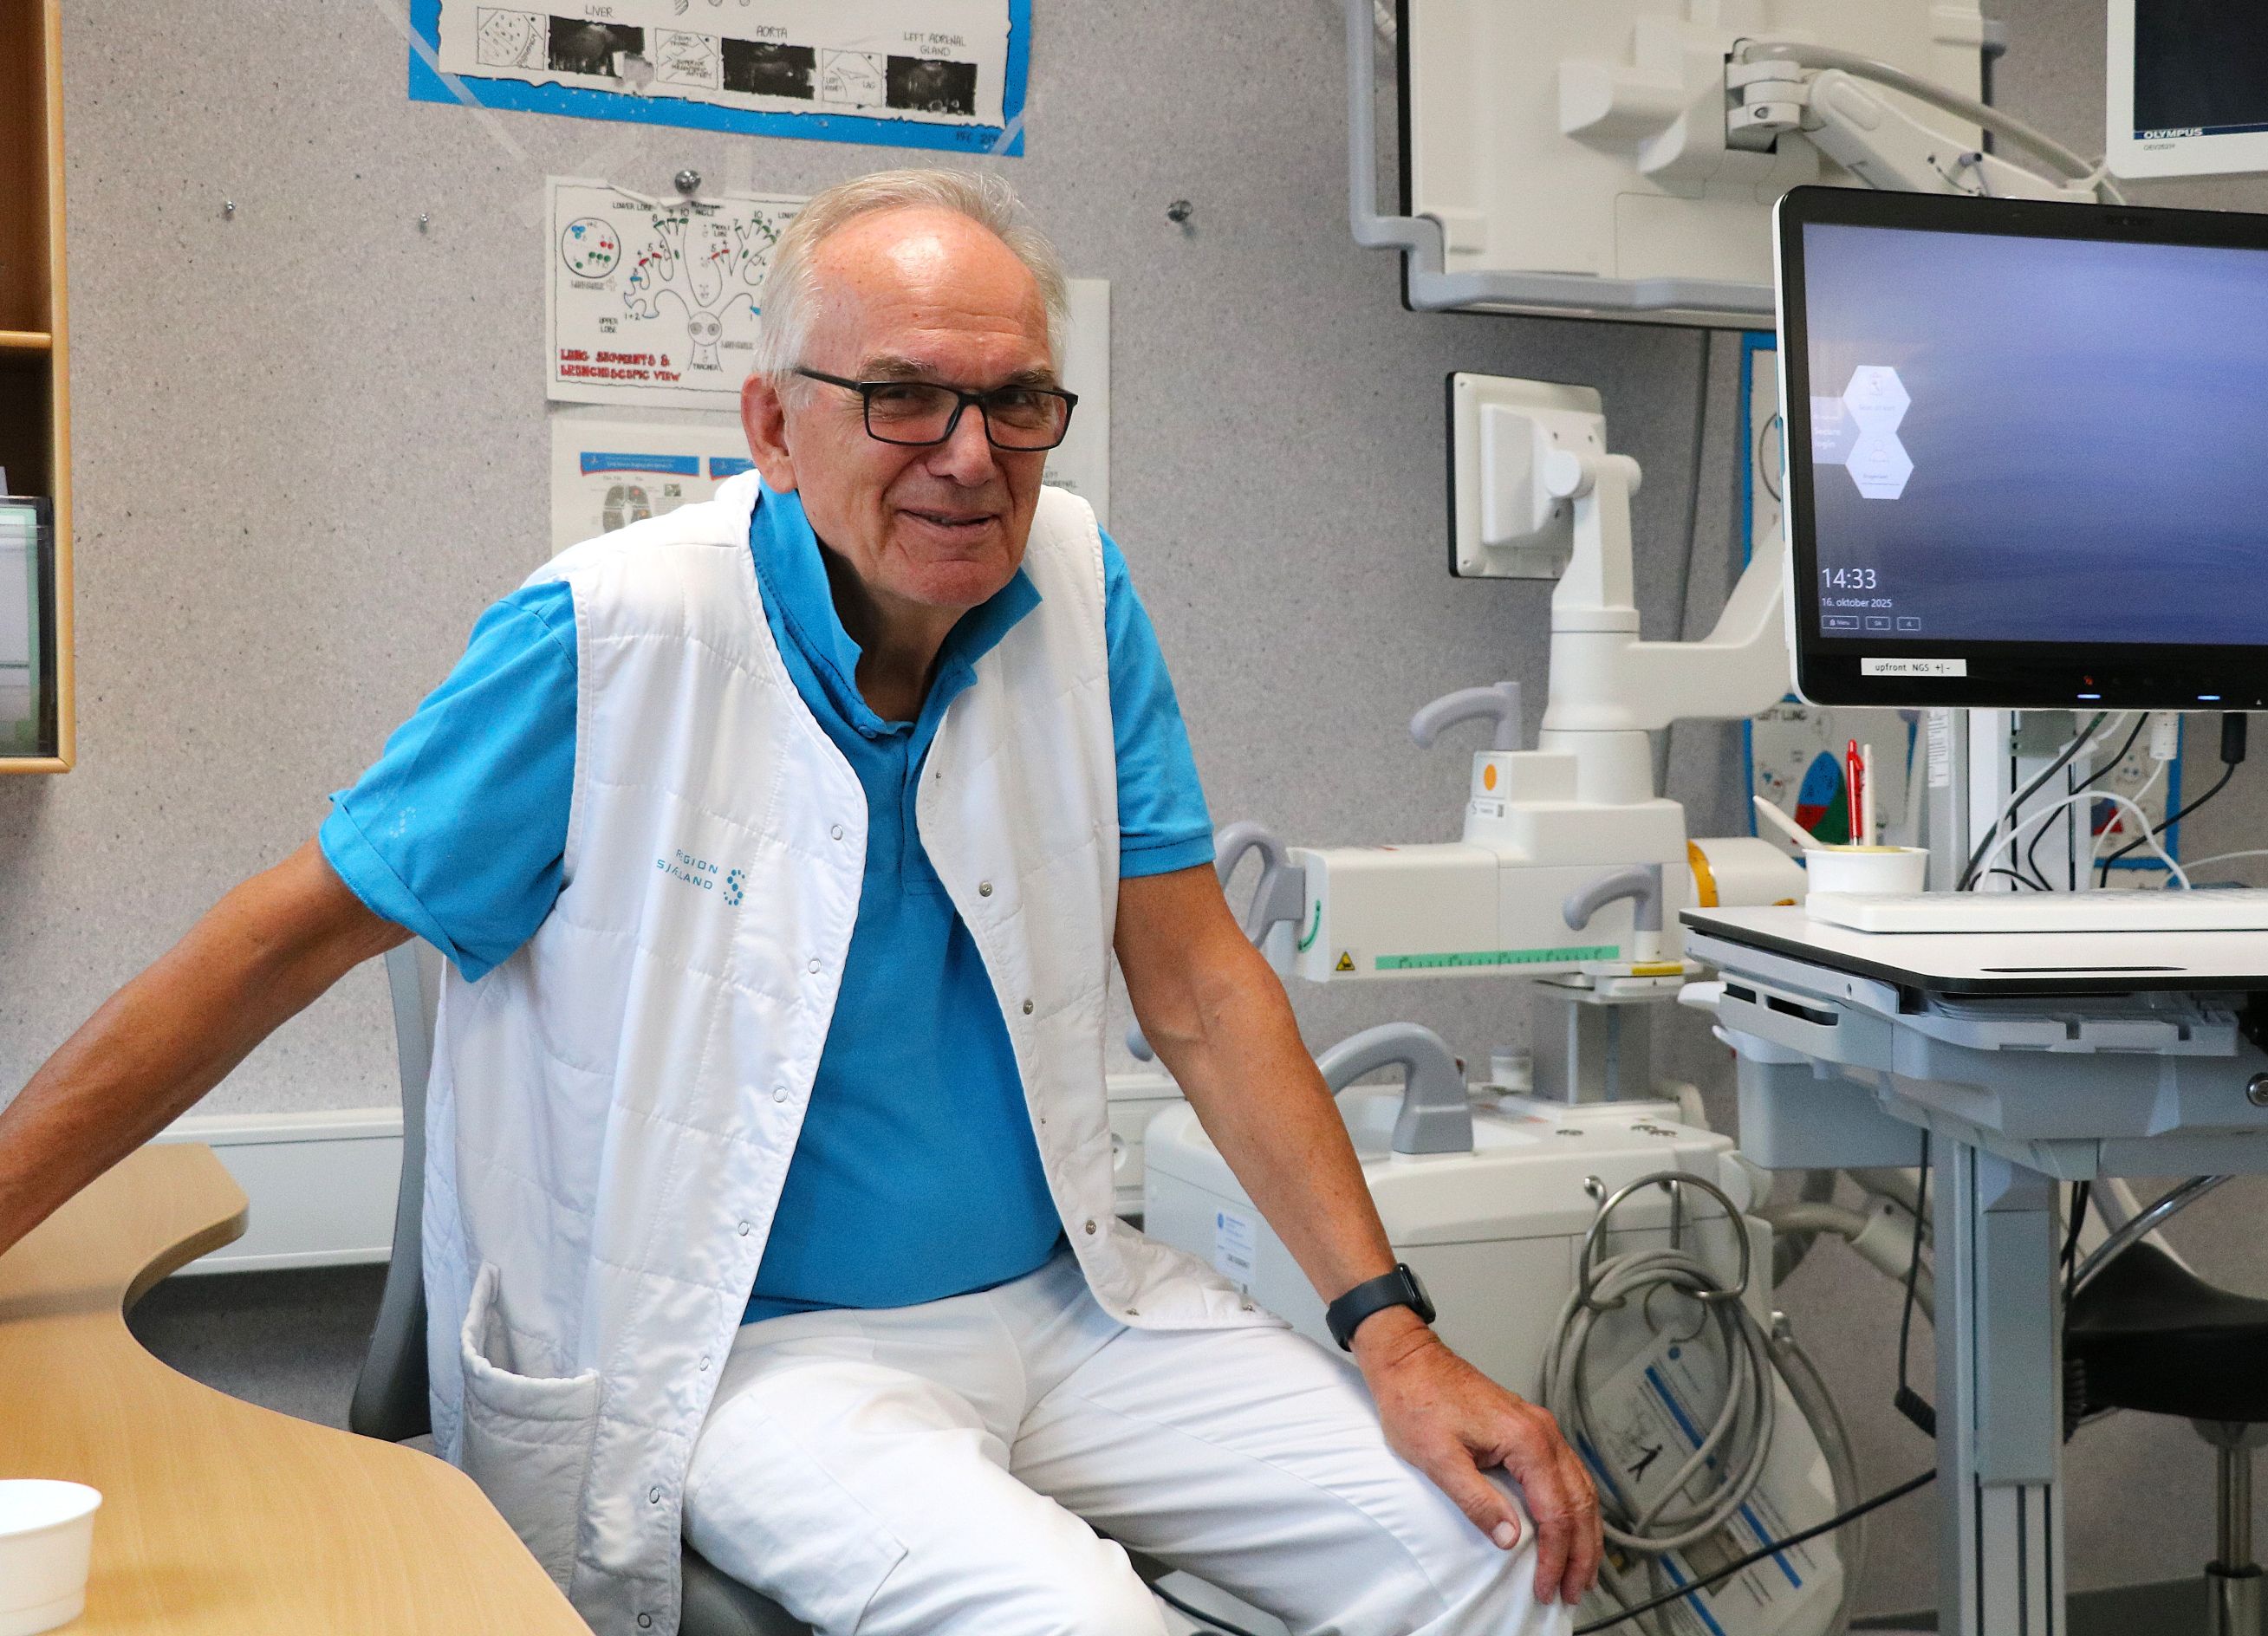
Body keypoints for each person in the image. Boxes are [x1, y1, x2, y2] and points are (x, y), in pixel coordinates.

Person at [0, 168, 1599, 1636]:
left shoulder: (1074, 591)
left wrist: (1390, 1333)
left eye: (1016, 403)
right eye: (902, 398)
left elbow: (1194, 983)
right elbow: (268, 947)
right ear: (772, 423)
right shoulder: (613, 638)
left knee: (1492, 1549)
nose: (970, 458)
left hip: (1072, 1309)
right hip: (754, 1359)